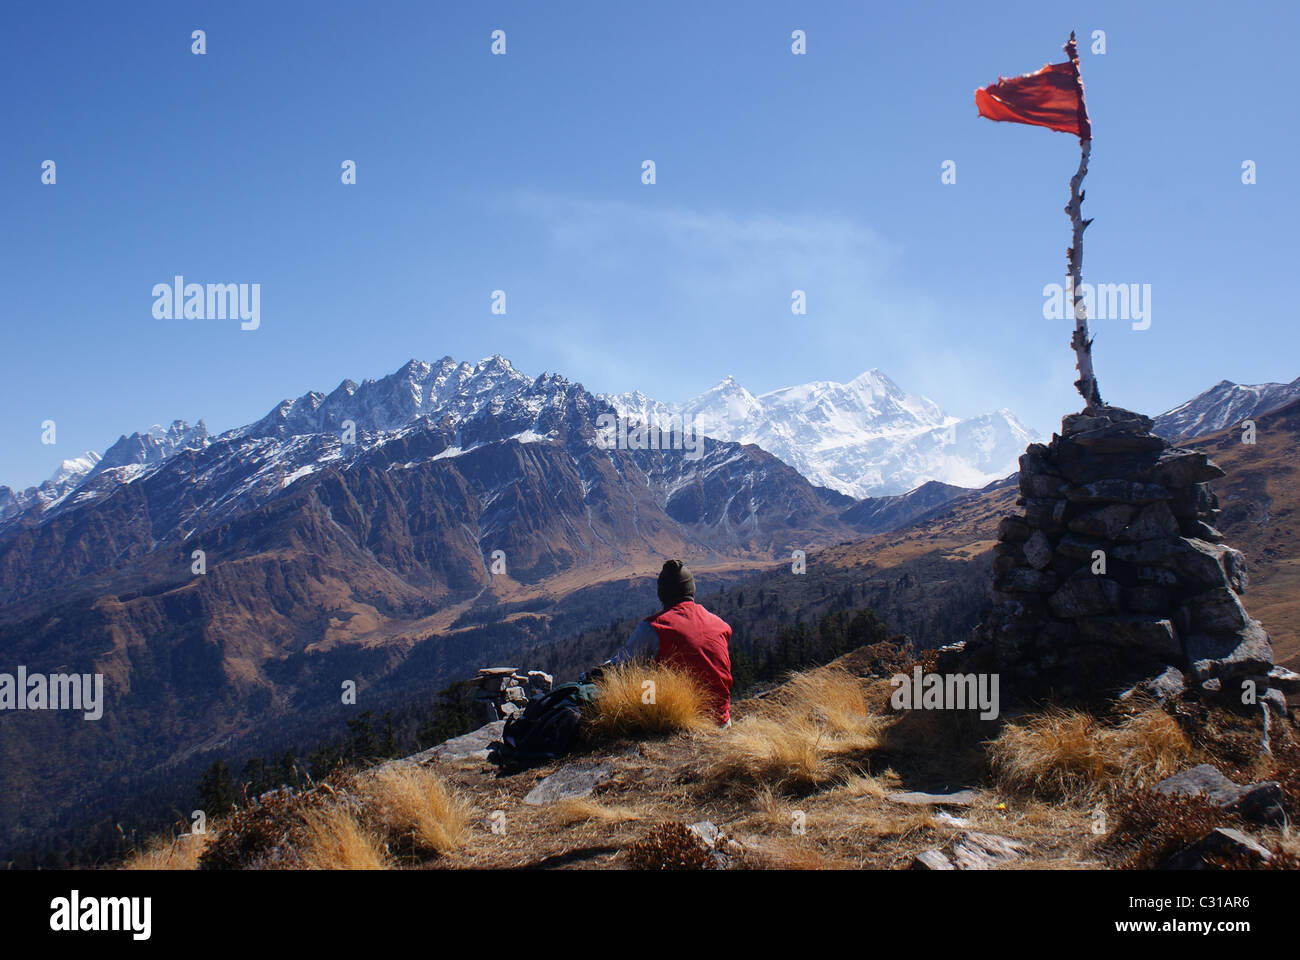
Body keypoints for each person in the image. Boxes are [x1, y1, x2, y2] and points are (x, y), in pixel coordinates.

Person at [611, 560, 734, 725]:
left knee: (642, 673)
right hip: (721, 721)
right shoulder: (720, 625)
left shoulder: (654, 627)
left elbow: (622, 665)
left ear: (662, 592)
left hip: (679, 722)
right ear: (691, 589)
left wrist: (594, 675)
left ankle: (647, 716)